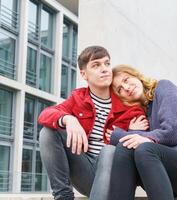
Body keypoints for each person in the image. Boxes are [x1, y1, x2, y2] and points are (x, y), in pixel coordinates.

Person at [37, 46, 148, 200]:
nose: (105, 69)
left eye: (107, 63)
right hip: (86, 172)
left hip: (116, 177)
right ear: (84, 74)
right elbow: (45, 114)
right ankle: (63, 197)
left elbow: (143, 142)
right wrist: (69, 119)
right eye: (96, 65)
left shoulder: (127, 104)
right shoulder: (78, 98)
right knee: (48, 132)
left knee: (109, 151)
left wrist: (130, 133)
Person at [106, 65, 177, 200]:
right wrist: (132, 132)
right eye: (120, 89)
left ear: (136, 76)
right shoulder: (142, 114)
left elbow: (175, 131)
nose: (126, 88)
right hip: (170, 180)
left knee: (144, 149)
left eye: (126, 80)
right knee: (125, 147)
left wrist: (122, 135)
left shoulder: (163, 87)